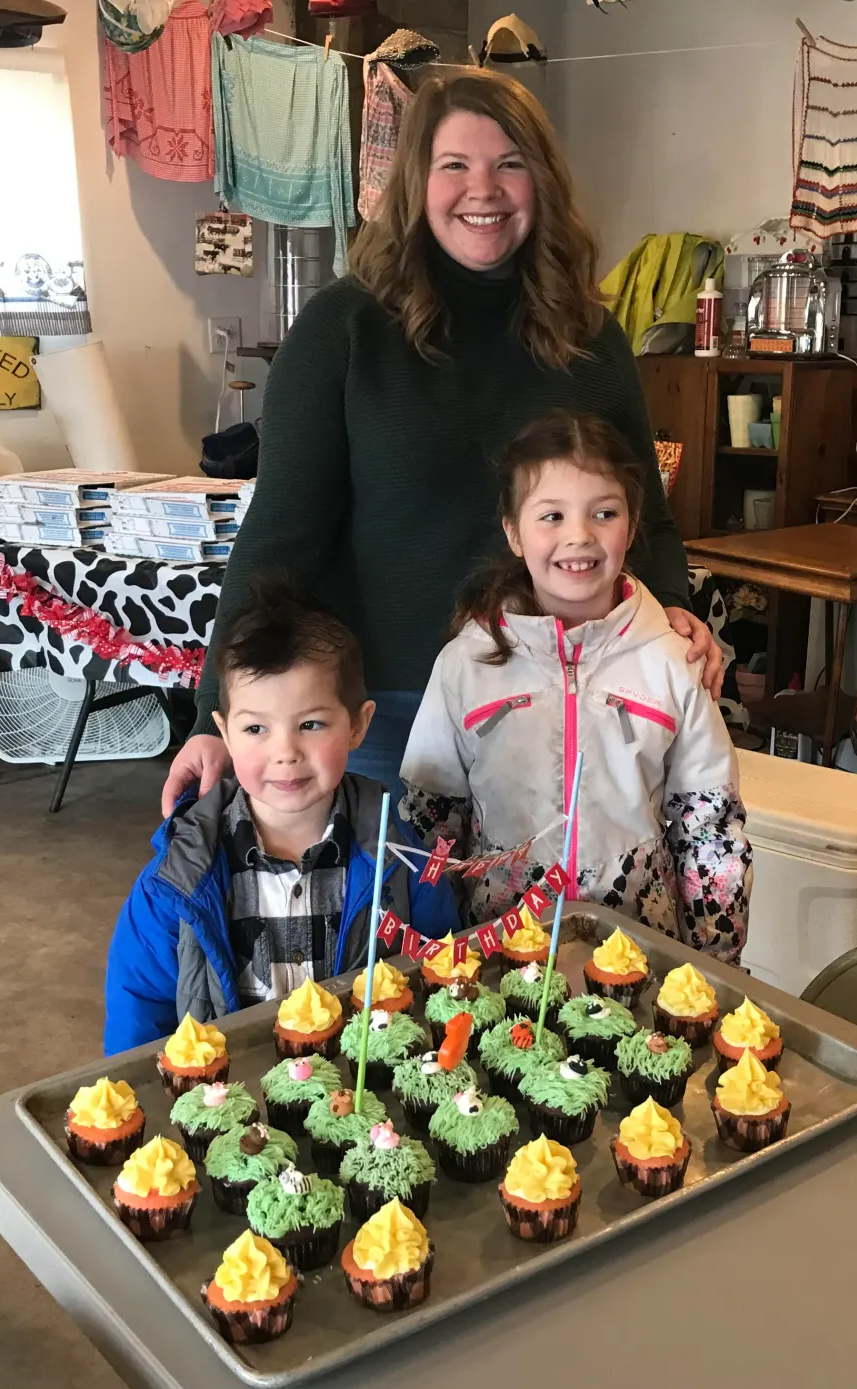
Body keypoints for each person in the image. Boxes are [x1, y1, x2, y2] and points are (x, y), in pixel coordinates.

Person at [162, 68, 721, 814]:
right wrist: (211, 720)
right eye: (453, 165)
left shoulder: (589, 338)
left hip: (561, 699)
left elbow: (643, 515)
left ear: (541, 182)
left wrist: (674, 607)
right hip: (387, 710)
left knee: (549, 930)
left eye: (509, 164)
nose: (481, 189)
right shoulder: (342, 332)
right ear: (415, 183)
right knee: (401, 928)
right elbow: (278, 538)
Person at [399, 411, 750, 961]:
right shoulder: (464, 665)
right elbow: (433, 824)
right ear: (513, 531)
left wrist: (717, 962)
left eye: (604, 513)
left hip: (638, 949)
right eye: (552, 516)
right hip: (498, 951)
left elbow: (708, 827)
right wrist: (439, 949)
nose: (579, 536)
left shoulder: (672, 660)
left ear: (632, 527)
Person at [103, 581, 456, 1052]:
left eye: (311, 724)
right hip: (227, 1106)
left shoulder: (405, 860)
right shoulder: (175, 882)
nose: (285, 753)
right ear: (225, 735)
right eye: (256, 729)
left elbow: (445, 974)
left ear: (358, 725)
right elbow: (139, 1011)